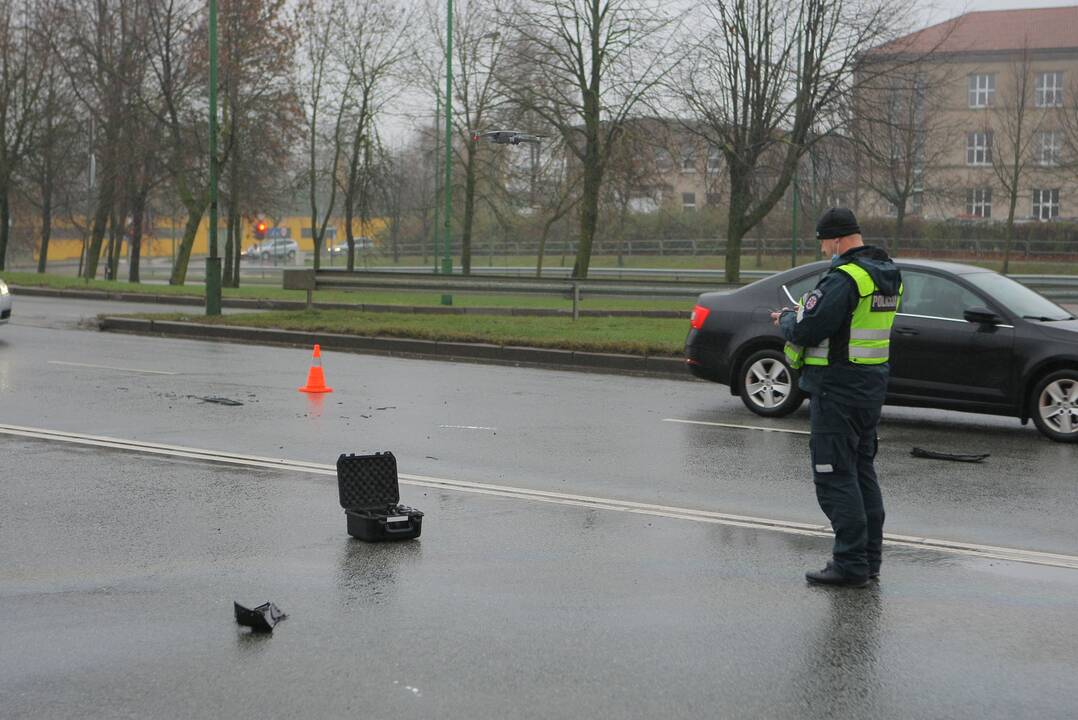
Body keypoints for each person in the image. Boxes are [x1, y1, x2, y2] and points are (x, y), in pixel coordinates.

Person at [771, 208, 903, 588]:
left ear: (839, 239)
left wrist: (785, 320)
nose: (824, 248)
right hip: (869, 386)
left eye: (825, 241)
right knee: (862, 472)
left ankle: (849, 564)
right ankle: (869, 559)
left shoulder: (846, 278)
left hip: (837, 388)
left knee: (834, 476)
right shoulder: (888, 275)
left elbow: (810, 328)